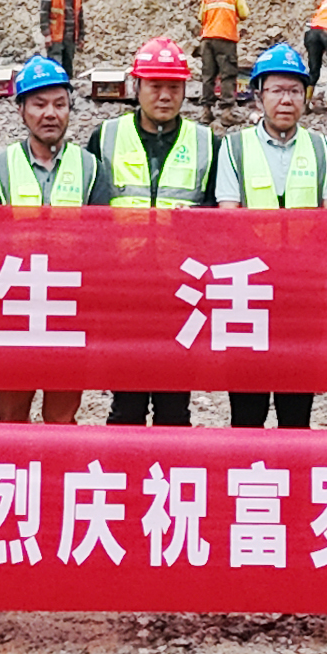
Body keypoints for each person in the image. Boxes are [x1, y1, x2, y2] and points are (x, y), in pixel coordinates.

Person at [216, 43, 327, 429]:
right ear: (259, 94)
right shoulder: (234, 148)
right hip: (248, 293)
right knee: (247, 409)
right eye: (277, 90)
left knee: (296, 408)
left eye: (294, 91)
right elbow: (228, 218)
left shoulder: (324, 149)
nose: (286, 100)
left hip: (304, 295)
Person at [94, 38, 213, 425]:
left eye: (173, 87)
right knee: (125, 404)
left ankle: (171, 481)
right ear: (136, 87)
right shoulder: (106, 137)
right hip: (123, 290)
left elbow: (220, 218)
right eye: (155, 86)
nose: (164, 96)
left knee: (174, 404)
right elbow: (91, 210)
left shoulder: (206, 143)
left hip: (182, 291)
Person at [0, 56, 96, 429]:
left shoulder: (90, 167)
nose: (50, 114)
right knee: (11, 416)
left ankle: (54, 485)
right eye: (39, 104)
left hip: (69, 309)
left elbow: (103, 244)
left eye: (59, 104)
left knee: (62, 418)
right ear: (21, 110)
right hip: (14, 312)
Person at [196, 0, 248, 120]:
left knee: (208, 75)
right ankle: (226, 112)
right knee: (228, 74)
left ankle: (206, 111)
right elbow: (244, 13)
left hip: (207, 39)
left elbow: (200, 17)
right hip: (225, 38)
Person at [41, 0, 86, 81]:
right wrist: (46, 34)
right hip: (55, 38)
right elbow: (44, 13)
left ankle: (67, 94)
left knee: (68, 69)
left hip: (70, 38)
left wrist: (81, 37)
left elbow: (80, 15)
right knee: (55, 68)